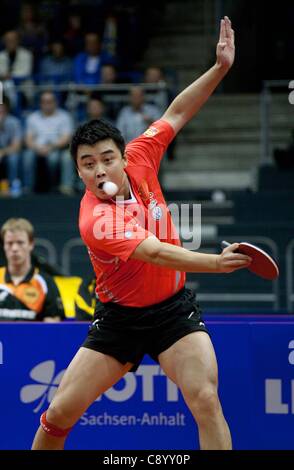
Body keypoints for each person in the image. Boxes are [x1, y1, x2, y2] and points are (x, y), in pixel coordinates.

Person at [32, 17, 250, 450]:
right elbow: (157, 253)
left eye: (106, 159)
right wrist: (217, 264)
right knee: (57, 415)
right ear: (78, 171)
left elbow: (177, 111)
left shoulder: (141, 155)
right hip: (120, 320)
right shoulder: (94, 219)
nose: (99, 170)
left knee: (206, 400)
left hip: (174, 312)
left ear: (121, 155)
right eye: (87, 163)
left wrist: (220, 68)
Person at [0, 218, 64, 322]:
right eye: (9, 243)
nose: (15, 248)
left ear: (31, 244)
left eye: (20, 242)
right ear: (4, 245)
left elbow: (52, 329)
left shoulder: (46, 283)